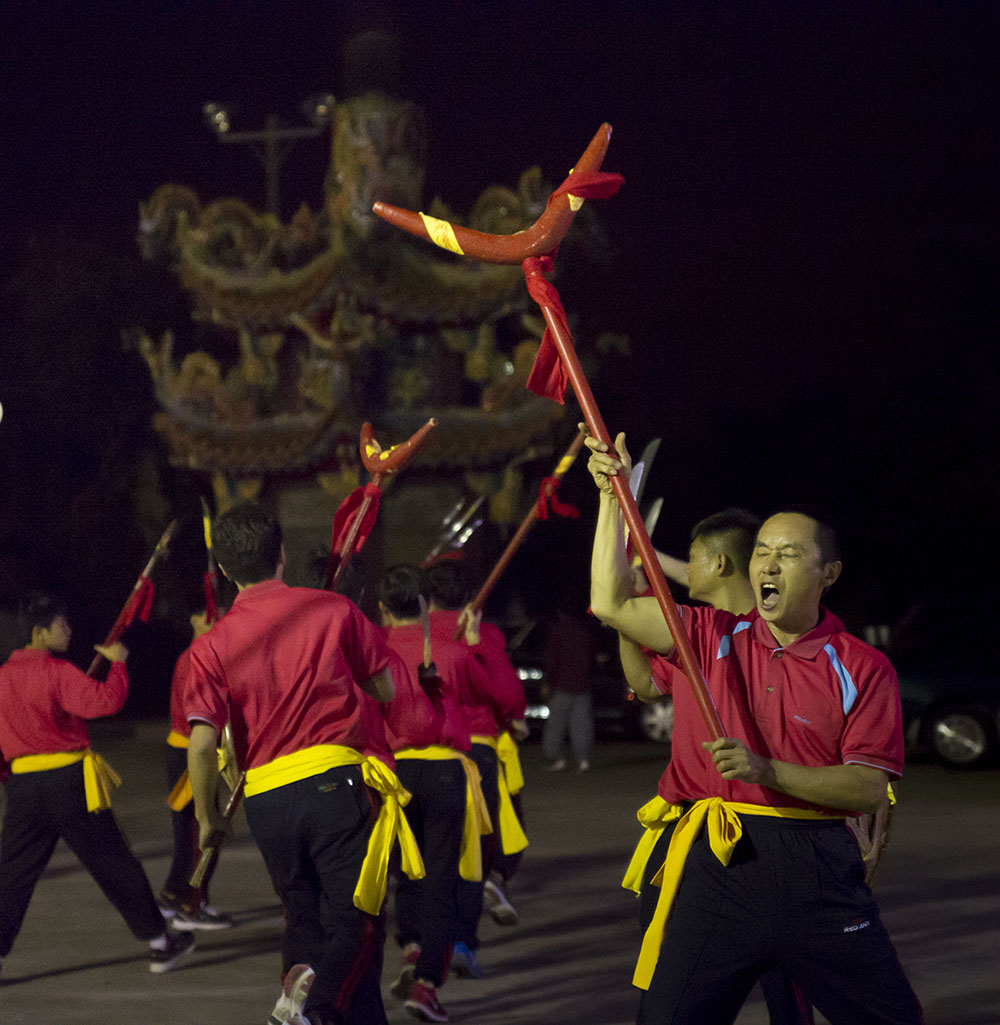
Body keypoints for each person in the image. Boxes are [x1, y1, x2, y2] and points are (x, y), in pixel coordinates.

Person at [585, 432, 923, 1025]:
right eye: (763, 550)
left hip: (814, 868)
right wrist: (613, 499)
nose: (768, 562)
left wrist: (768, 771)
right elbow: (612, 604)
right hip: (715, 864)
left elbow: (867, 788)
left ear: (829, 572)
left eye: (789, 554)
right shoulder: (709, 636)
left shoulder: (864, 667)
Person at [183, 502, 400, 1025]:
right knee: (357, 917)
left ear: (225, 570)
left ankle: (301, 978)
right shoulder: (332, 610)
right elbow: (385, 686)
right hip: (332, 782)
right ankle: (319, 1008)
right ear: (280, 553)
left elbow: (201, 743)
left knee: (303, 911)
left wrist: (207, 817)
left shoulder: (212, 644)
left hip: (265, 798)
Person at [0, 591, 194, 976]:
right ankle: (159, 942)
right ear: (39, 633)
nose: (68, 630)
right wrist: (118, 665)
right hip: (70, 784)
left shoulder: (4, 678)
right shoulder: (55, 671)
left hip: (24, 788)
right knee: (113, 862)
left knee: (11, 876)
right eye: (61, 624)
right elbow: (104, 702)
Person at [378, 564, 486, 1023]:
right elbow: (490, 696)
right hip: (443, 770)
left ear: (383, 610)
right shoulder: (454, 652)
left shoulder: (374, 654)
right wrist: (475, 646)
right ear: (424, 605)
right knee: (442, 879)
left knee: (406, 868)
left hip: (395, 770)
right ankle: (426, 983)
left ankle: (411, 944)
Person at [422, 561, 528, 976]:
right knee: (471, 860)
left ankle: (421, 946)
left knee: (427, 863)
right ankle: (462, 942)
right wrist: (477, 643)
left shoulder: (410, 632)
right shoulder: (482, 634)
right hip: (475, 755)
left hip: (418, 757)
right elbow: (509, 698)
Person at [158, 604, 234, 931]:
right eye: (207, 616)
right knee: (200, 833)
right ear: (192, 619)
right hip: (191, 754)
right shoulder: (195, 659)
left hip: (193, 752)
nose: (214, 622)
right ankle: (190, 904)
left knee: (196, 833)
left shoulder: (202, 656)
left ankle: (179, 898)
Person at [541, 602, 598, 772]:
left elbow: (552, 660)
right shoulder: (585, 632)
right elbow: (591, 659)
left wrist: (547, 683)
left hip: (563, 686)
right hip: (582, 685)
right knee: (581, 723)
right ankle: (583, 760)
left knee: (556, 724)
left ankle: (556, 758)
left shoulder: (558, 632)